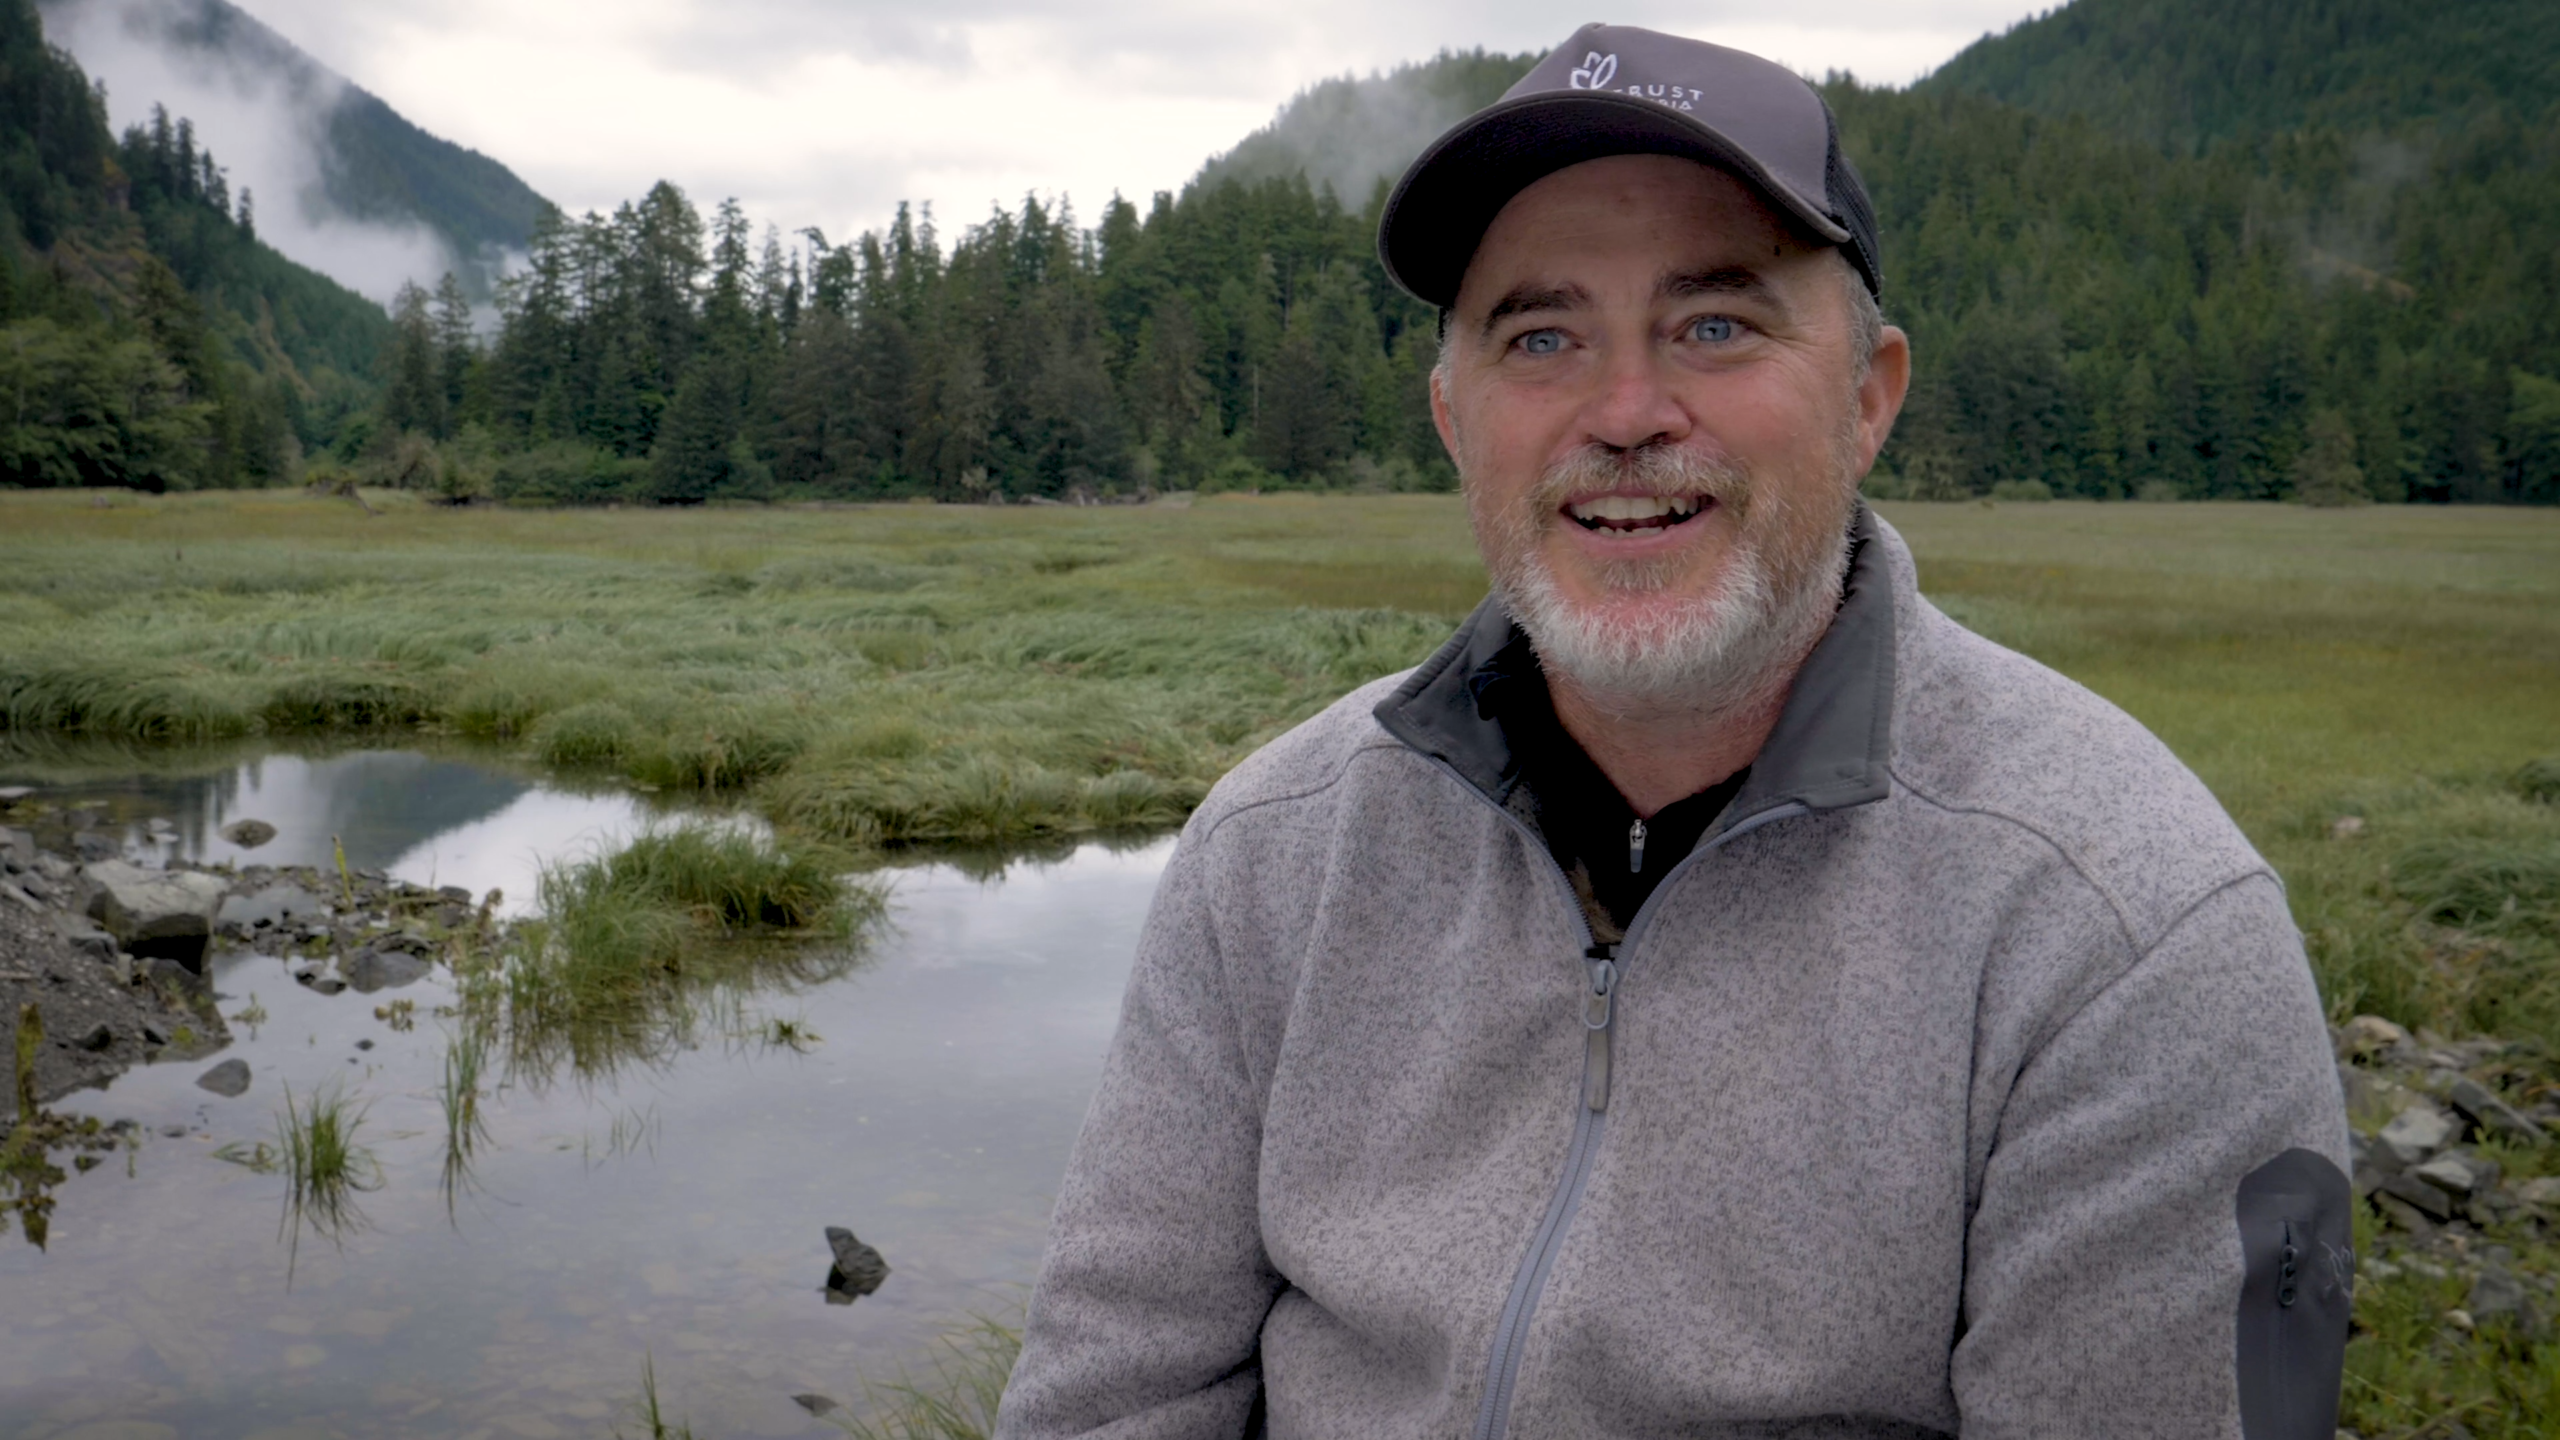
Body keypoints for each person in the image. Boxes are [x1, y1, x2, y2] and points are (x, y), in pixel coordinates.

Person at [995, 23, 2351, 1440]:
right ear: (1455, 419)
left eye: (1716, 324)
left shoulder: (2131, 934)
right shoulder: (1274, 857)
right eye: (1542, 337)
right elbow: (1111, 1400)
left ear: (1870, 395)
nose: (1627, 413)